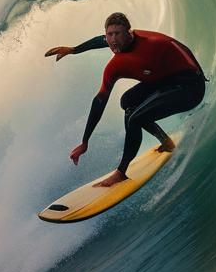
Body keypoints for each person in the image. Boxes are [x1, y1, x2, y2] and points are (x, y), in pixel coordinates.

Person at [45, 12, 206, 187]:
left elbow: (181, 51)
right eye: (110, 34)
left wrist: (196, 75)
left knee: (136, 119)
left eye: (118, 34)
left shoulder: (152, 43)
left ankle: (121, 172)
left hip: (189, 87)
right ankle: (166, 142)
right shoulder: (115, 64)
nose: (113, 40)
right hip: (163, 81)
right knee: (127, 102)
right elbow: (99, 101)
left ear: (129, 33)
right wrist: (85, 142)